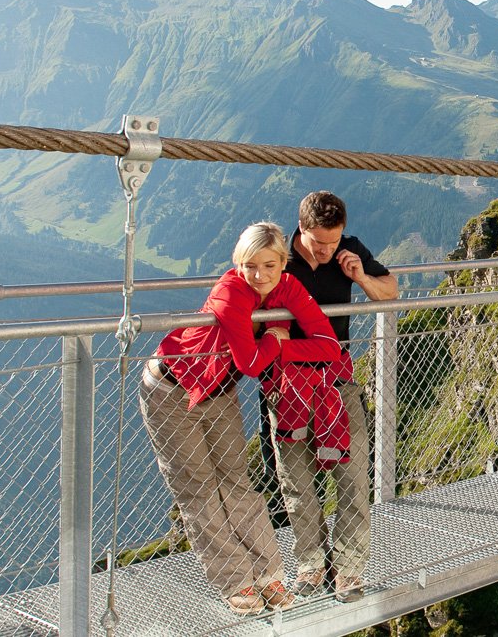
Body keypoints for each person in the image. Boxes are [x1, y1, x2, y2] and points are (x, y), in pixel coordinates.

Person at [138, 222, 350, 615]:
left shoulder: (287, 287)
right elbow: (251, 362)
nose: (260, 275)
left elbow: (330, 348)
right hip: (171, 389)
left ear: (283, 263)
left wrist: (282, 347)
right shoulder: (230, 292)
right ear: (239, 263)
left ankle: (268, 573)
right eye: (250, 265)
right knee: (199, 489)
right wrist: (277, 338)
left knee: (237, 483)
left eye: (269, 265)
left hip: (219, 391)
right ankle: (236, 580)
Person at [258, 190, 397, 602]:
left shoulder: (349, 250)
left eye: (332, 242)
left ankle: (349, 570)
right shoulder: (278, 256)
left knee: (353, 477)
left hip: (336, 380)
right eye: (318, 242)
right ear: (300, 229)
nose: (325, 250)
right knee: (297, 481)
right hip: (286, 383)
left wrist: (360, 277)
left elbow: (389, 292)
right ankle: (311, 563)